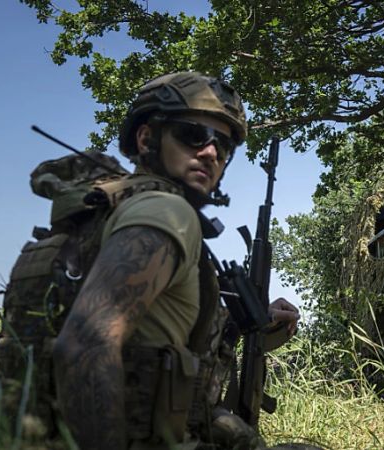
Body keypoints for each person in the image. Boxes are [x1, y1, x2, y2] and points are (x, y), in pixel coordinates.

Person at [46, 71, 299, 449]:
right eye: (192, 135)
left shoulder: (116, 208)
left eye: (223, 145)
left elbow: (158, 334)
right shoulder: (167, 212)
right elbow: (86, 344)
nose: (211, 152)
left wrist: (250, 321)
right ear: (147, 138)